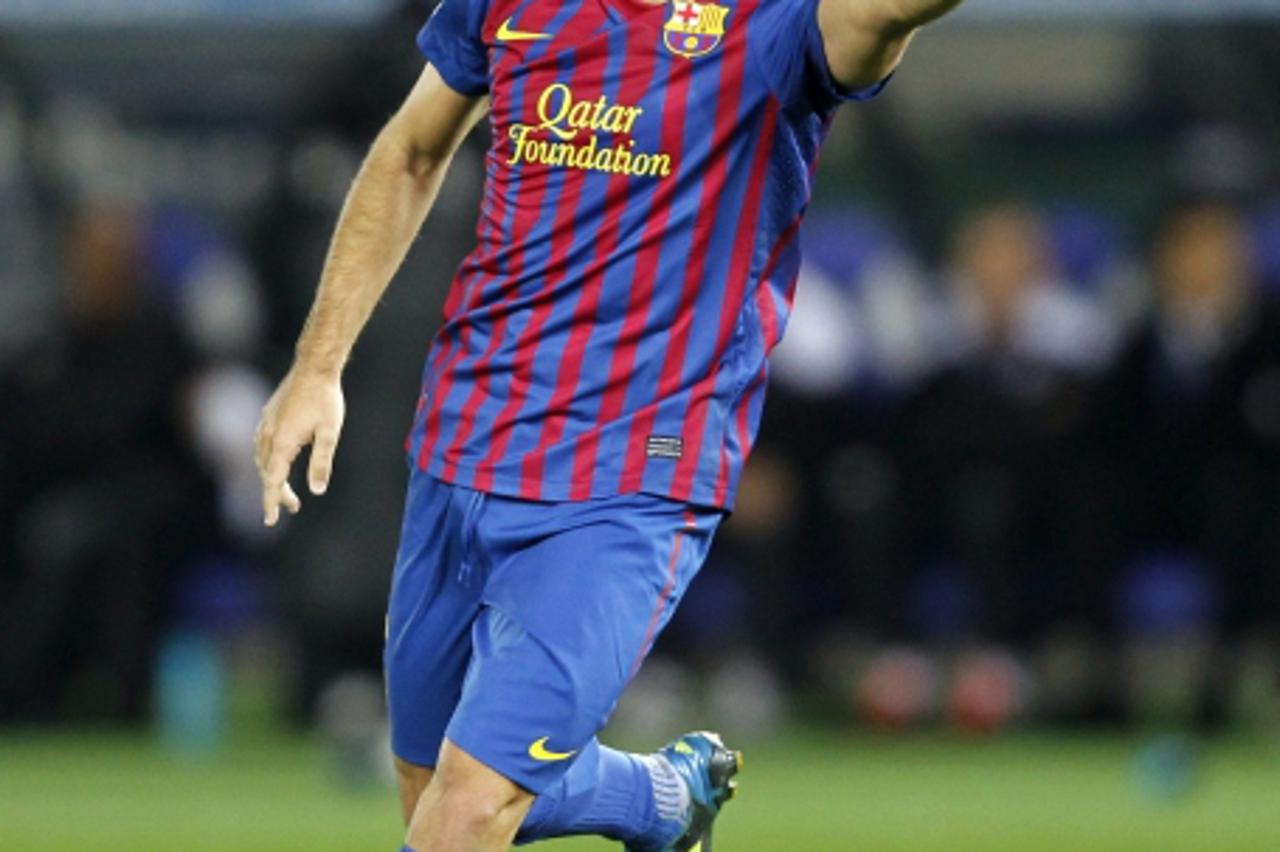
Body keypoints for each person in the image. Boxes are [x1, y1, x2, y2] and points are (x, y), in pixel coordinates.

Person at [255, 0, 967, 849]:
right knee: (435, 791)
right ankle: (659, 799)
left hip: (631, 472)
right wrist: (318, 364)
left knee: (467, 813)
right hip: (465, 437)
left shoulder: (771, 24)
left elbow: (884, 12)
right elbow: (412, 149)